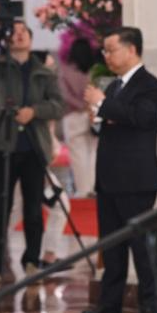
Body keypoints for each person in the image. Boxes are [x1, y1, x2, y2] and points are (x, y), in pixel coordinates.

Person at [82, 26, 157, 313]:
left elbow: (142, 117)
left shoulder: (149, 85)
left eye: (111, 50)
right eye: (104, 50)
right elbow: (109, 122)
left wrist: (103, 104)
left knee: (141, 246)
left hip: (136, 179)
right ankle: (110, 301)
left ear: (131, 50)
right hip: (109, 178)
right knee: (111, 244)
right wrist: (96, 118)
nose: (106, 56)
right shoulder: (116, 86)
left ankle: (150, 303)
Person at [0, 20, 63, 285]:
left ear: (32, 40)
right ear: (8, 40)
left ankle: (32, 261)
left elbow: (57, 105)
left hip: (33, 146)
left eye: (25, 32)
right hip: (3, 145)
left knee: (34, 208)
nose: (20, 35)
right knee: (1, 208)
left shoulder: (43, 71)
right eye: (15, 32)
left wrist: (34, 112)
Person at [59, 38, 97, 196]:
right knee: (92, 153)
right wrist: (88, 106)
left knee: (77, 155)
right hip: (91, 114)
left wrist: (80, 106)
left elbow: (64, 96)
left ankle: (83, 189)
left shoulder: (65, 72)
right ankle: (93, 187)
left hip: (72, 117)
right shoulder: (93, 72)